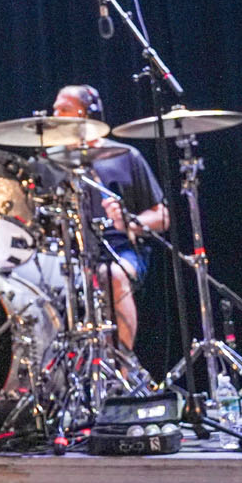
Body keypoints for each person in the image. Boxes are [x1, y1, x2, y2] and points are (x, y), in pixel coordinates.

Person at [45, 85, 168, 349]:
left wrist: (130, 222)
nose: (56, 116)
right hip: (66, 255)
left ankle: (121, 363)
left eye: (64, 109)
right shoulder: (51, 164)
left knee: (111, 274)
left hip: (119, 251)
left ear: (87, 113)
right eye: (55, 110)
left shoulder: (124, 156)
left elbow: (162, 216)